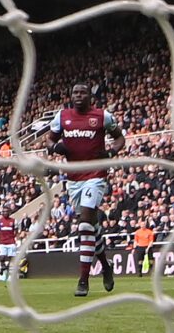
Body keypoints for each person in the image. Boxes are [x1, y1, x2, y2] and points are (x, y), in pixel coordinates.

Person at [49, 84, 124, 298]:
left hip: (96, 176)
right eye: (74, 93)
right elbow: (49, 141)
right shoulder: (62, 117)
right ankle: (105, 265)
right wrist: (55, 148)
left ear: (90, 97)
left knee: (84, 223)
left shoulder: (102, 116)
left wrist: (110, 153)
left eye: (82, 93)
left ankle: (83, 279)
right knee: (90, 226)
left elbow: (120, 138)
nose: (78, 96)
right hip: (73, 179)